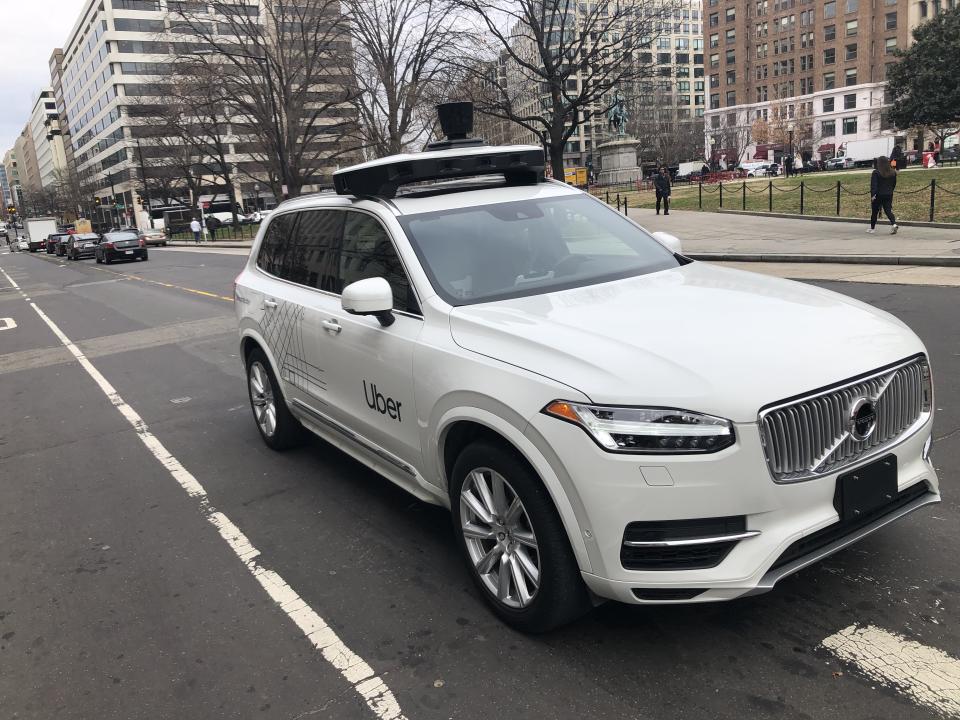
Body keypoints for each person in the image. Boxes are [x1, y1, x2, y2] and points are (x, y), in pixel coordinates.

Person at [868, 156, 898, 235]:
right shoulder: (893, 172)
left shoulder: (876, 172)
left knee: (875, 211)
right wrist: (891, 190)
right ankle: (894, 224)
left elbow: (874, 185)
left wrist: (873, 195)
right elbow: (894, 183)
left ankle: (872, 228)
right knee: (888, 210)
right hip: (888, 194)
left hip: (878, 194)